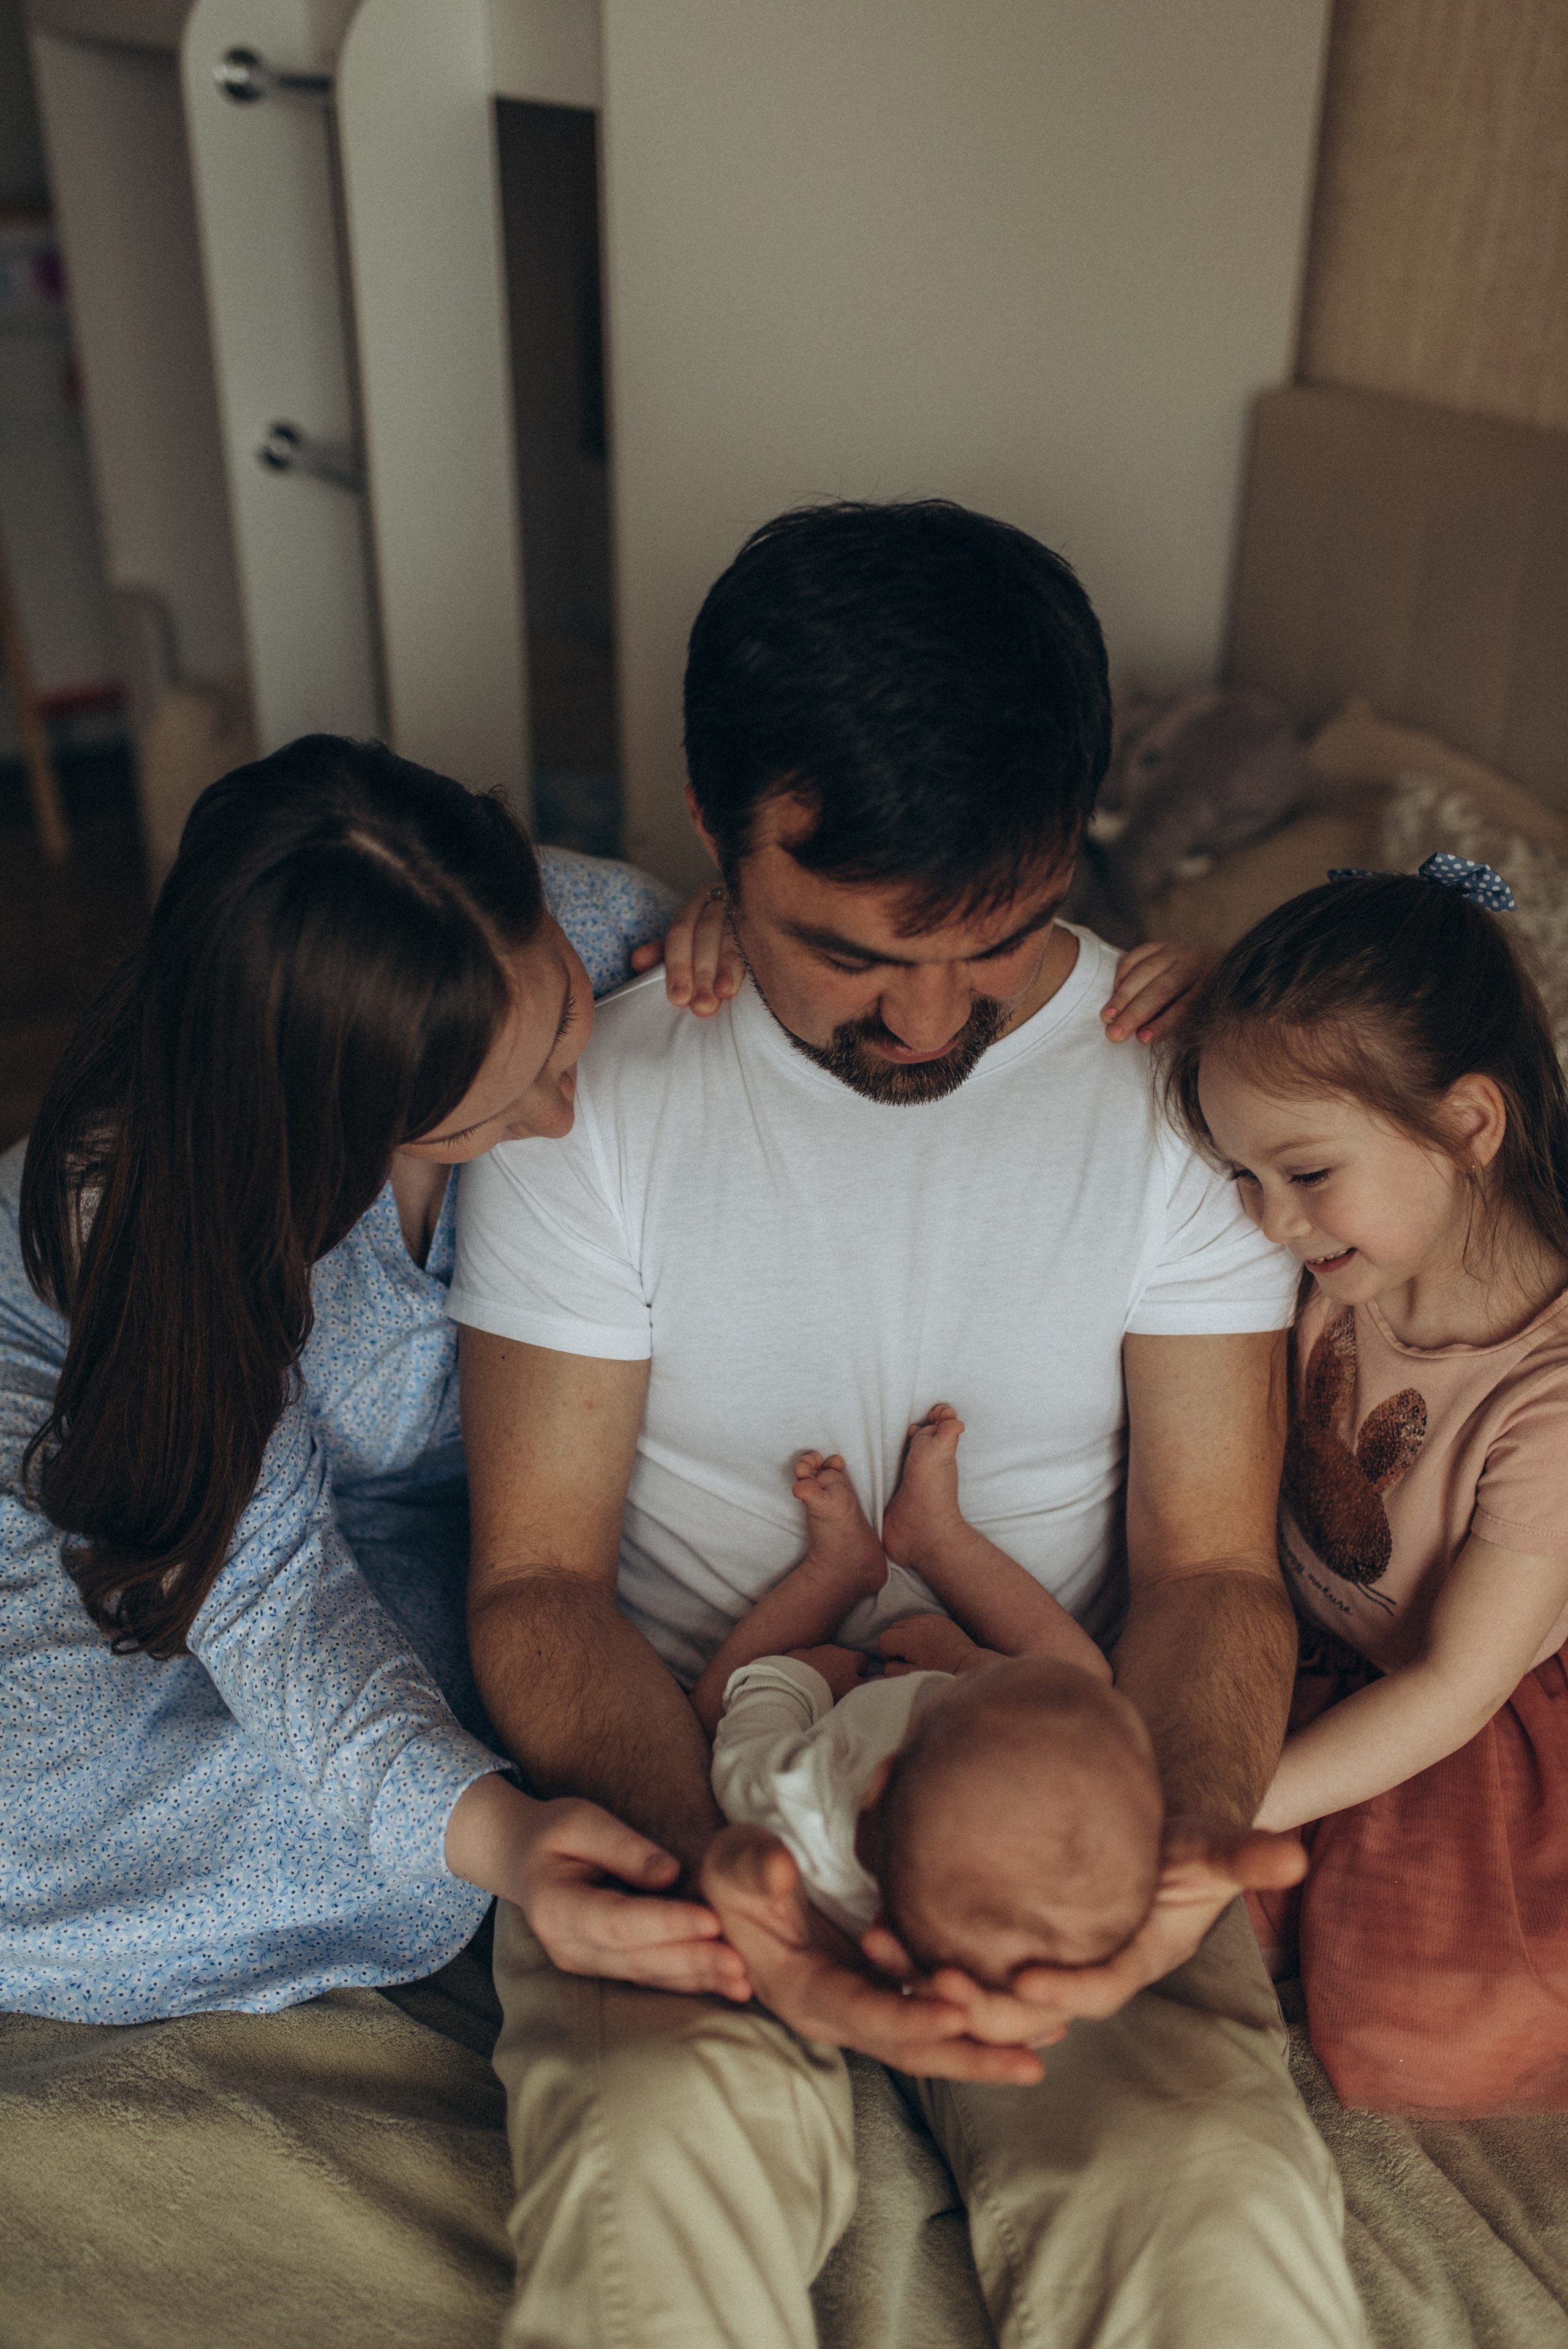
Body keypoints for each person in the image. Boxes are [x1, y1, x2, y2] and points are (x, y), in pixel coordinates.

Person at [450, 498, 1367, 2349]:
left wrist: (1158, 1842)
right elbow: (538, 1588)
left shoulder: (1178, 1096)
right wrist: (732, 1853)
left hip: (1057, 1804)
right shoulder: (589, 1100)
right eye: (859, 956)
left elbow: (1206, 1566)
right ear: (717, 837)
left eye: (1001, 935)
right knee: (641, 2165)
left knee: (1215, 2200)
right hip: (691, 1774)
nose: (930, 1015)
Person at [0, 734, 751, 2021]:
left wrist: (757, 949)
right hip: (114, 1445)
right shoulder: (141, 1200)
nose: (560, 1122)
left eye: (560, 1035)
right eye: (482, 1116)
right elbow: (265, 1585)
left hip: (403, 1516)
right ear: (324, 1129)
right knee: (35, 1832)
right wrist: (501, 1838)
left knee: (432, 1831)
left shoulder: (615, 935)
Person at [1163, 856, 1568, 2115]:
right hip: (1297, 1651)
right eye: (1240, 1176)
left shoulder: (1547, 1394)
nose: (1267, 1222)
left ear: (1465, 1125)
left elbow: (1452, 1684)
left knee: (1424, 2024)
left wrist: (1233, 1805)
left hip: (1465, 1711)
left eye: (1303, 1174)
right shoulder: (1350, 1263)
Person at [703, 1411, 1162, 1980]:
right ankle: (935, 1536)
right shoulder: (971, 1954)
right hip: (966, 1682)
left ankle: (838, 1571)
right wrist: (968, 1664)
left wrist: (803, 1679)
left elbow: (747, 1733)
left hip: (827, 1708)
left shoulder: (803, 1808)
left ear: (880, 1778)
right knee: (1082, 1680)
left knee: (714, 1703)